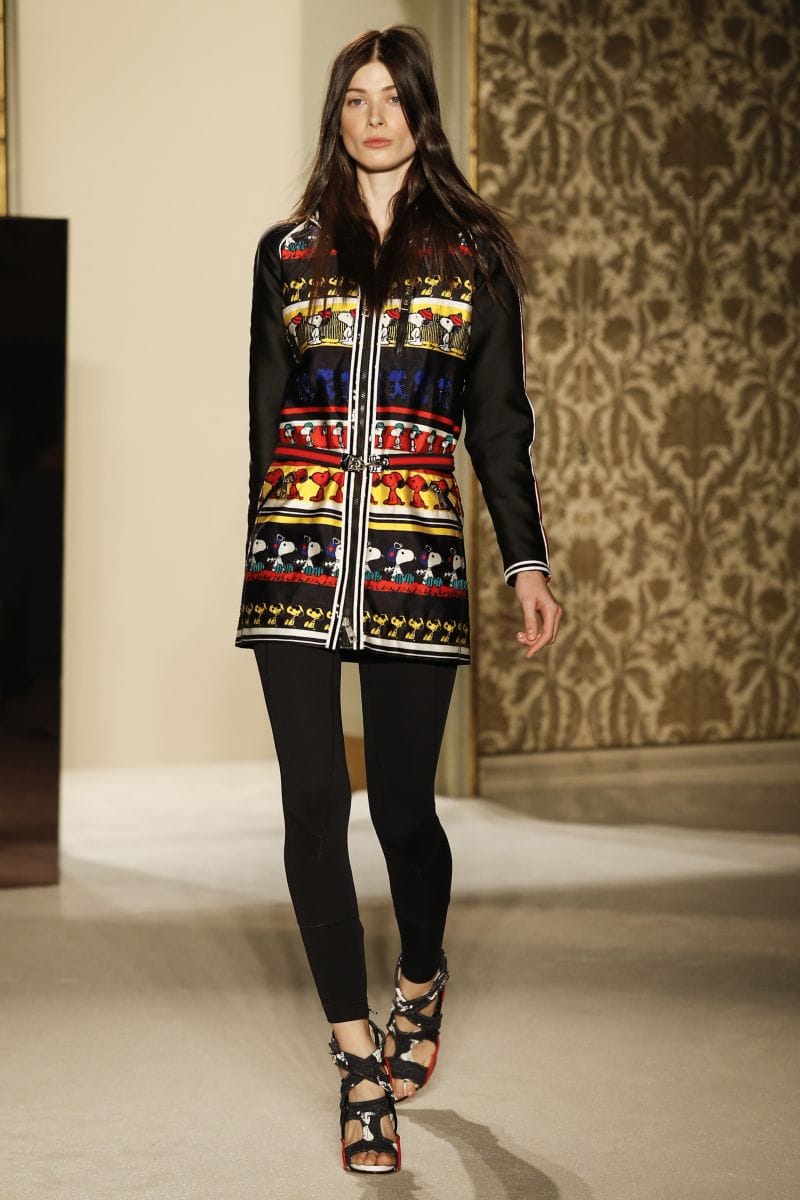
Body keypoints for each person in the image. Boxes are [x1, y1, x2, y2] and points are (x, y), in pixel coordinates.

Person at [234, 24, 562, 1174]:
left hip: (415, 557)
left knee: (403, 814)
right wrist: (266, 540)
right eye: (355, 99)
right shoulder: (287, 251)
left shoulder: (472, 256)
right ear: (337, 116)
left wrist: (524, 561)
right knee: (312, 801)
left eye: (392, 98)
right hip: (295, 552)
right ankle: (355, 1061)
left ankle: (419, 976)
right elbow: (264, 418)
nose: (373, 117)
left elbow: (499, 427)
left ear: (421, 114)